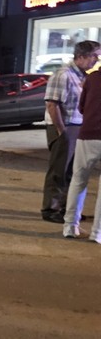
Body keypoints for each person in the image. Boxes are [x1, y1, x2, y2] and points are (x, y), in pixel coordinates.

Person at [41, 40, 100, 222]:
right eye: (94, 56)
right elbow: (52, 104)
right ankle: (51, 210)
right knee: (59, 170)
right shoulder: (63, 75)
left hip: (77, 127)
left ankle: (67, 209)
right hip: (64, 127)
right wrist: (62, 131)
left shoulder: (83, 76)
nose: (96, 60)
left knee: (72, 172)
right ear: (81, 56)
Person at [63, 59, 101, 240]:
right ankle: (97, 233)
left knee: (78, 180)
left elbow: (82, 107)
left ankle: (70, 227)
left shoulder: (93, 78)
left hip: (88, 134)